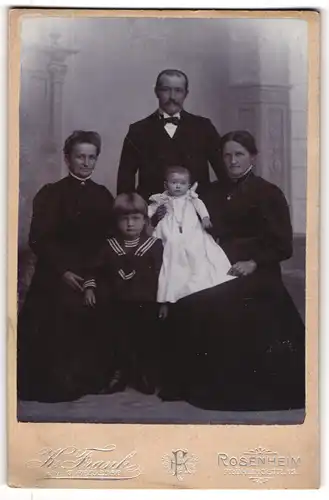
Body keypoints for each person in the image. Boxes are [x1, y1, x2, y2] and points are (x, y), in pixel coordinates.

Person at [158, 130, 305, 411]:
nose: (232, 161)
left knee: (236, 306)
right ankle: (192, 381)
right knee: (189, 298)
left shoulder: (269, 193)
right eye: (227, 155)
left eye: (239, 154)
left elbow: (283, 245)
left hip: (256, 269)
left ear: (253, 156)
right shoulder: (210, 192)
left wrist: (253, 263)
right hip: (215, 265)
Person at [17, 130, 114, 402]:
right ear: (67, 158)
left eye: (91, 157)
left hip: (93, 270)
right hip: (56, 271)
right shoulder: (50, 193)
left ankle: (92, 378)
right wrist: (63, 271)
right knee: (58, 308)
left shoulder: (103, 195)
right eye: (79, 156)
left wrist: (92, 274)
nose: (85, 163)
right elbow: (39, 238)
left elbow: (108, 239)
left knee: (103, 301)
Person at [84, 193, 163, 395]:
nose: (130, 224)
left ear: (145, 220)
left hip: (146, 302)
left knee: (144, 339)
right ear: (116, 221)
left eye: (135, 219)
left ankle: (143, 374)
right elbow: (93, 268)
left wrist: (164, 302)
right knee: (117, 338)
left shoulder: (155, 246)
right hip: (116, 303)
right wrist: (90, 287)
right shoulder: (109, 246)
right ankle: (118, 374)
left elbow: (164, 275)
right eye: (124, 219)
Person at [117, 69, 226, 201]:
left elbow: (224, 172)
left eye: (178, 90)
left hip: (196, 213)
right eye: (166, 90)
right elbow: (125, 181)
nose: (172, 97)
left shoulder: (204, 127)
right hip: (153, 213)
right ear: (156, 91)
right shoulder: (138, 130)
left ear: (186, 94)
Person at [148, 166, 236, 317]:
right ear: (165, 185)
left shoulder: (191, 198)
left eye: (182, 183)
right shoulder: (162, 199)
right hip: (170, 228)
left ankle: (198, 284)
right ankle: (171, 294)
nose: (177, 186)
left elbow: (200, 207)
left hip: (191, 228)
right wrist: (146, 219)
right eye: (174, 182)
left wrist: (205, 218)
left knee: (198, 250)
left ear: (188, 186)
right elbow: (149, 210)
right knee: (171, 252)